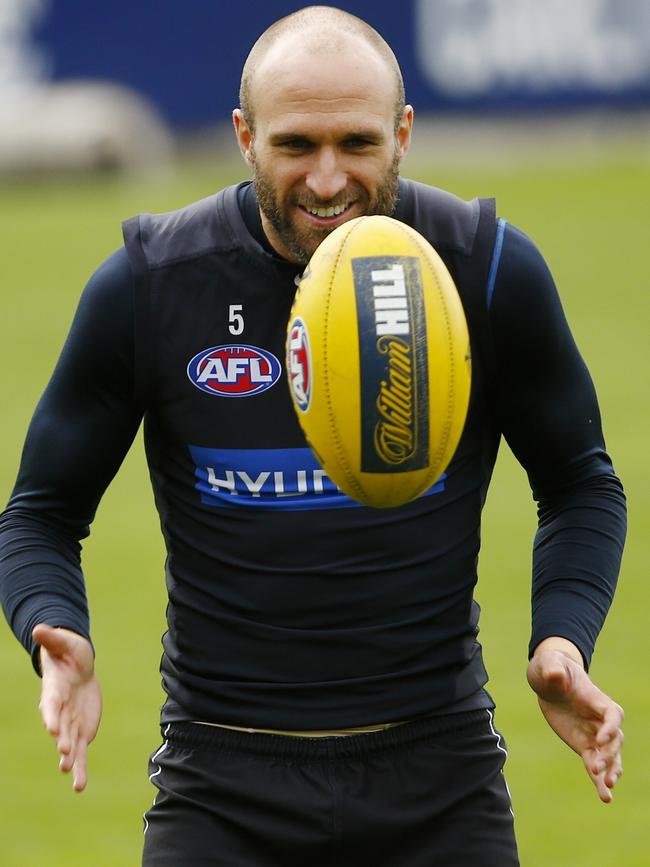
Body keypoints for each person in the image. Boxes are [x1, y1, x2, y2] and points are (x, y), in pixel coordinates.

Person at [0, 6, 626, 866]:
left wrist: (562, 637)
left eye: (357, 144)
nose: (327, 181)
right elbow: (39, 512)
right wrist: (51, 624)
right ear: (243, 137)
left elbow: (580, 482)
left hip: (440, 778)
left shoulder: (482, 270)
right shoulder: (150, 286)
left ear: (403, 132)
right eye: (295, 145)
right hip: (219, 785)